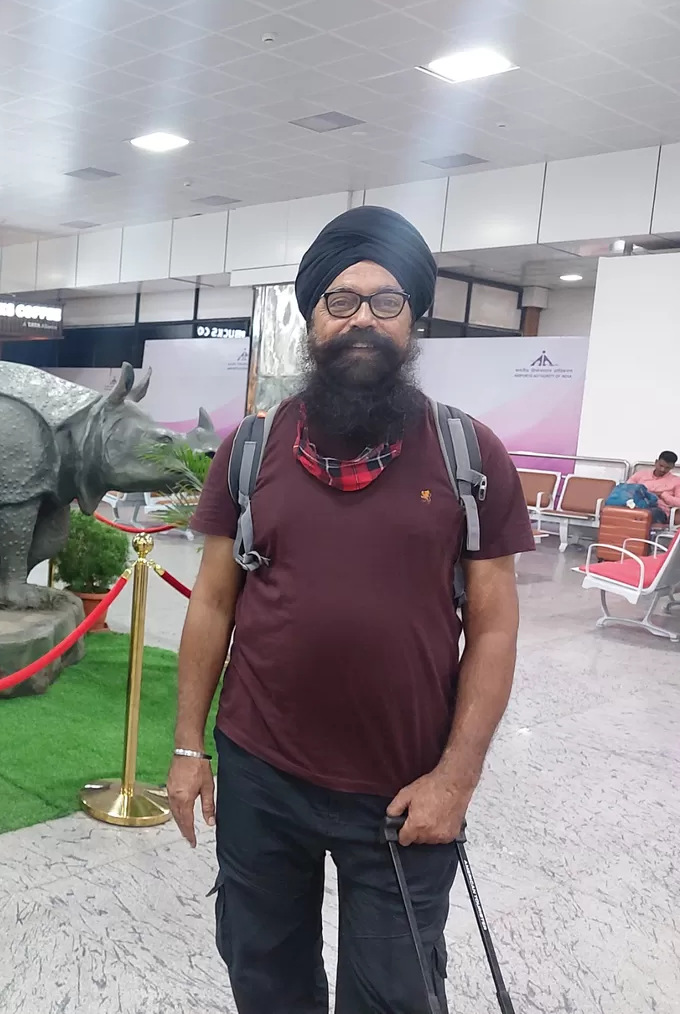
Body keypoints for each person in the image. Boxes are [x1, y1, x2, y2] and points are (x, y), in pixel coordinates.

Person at [169, 206, 535, 1013]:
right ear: (311, 318)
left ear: (416, 320)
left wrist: (457, 779)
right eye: (341, 300)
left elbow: (496, 627)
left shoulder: (470, 456)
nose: (362, 318)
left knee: (394, 994)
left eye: (386, 301)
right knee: (264, 975)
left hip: (405, 789)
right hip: (262, 772)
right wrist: (190, 749)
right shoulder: (251, 449)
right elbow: (214, 604)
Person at [627, 451, 680, 516]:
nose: (662, 469)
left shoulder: (676, 481)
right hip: (635, 505)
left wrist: (662, 495)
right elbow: (626, 488)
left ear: (672, 467)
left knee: (646, 513)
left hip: (658, 510)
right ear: (656, 462)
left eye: (667, 468)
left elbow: (678, 502)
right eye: (661, 465)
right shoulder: (641, 474)